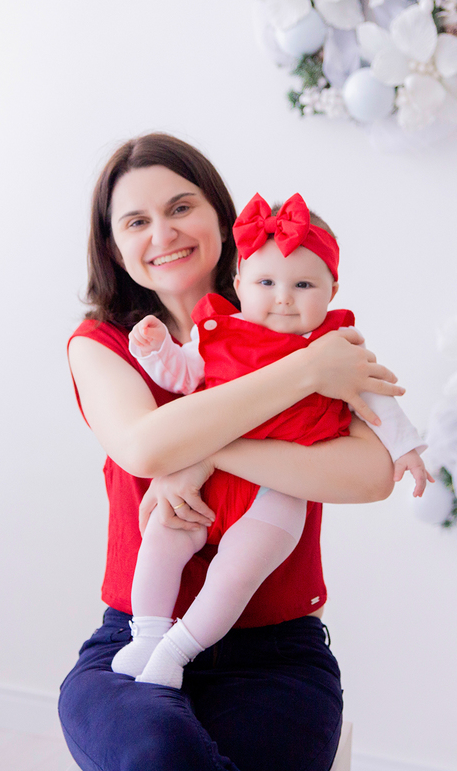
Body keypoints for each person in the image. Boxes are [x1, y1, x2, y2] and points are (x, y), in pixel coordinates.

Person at [60, 133, 401, 771]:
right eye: (137, 221)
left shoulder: (311, 326)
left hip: (275, 655)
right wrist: (304, 376)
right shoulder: (102, 344)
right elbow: (144, 447)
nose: (163, 233)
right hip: (132, 637)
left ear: (223, 217)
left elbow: (371, 474)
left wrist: (209, 453)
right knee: (160, 753)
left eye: (181, 207)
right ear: (114, 246)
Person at [111, 191, 431, 689]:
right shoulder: (218, 331)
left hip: (277, 493)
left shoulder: (336, 347)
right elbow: (185, 376)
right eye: (266, 282)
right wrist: (157, 352)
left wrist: (406, 448)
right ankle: (149, 635)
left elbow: (379, 398)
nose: (283, 296)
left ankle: (177, 650)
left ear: (333, 289)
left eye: (303, 284)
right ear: (239, 283)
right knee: (161, 536)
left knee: (237, 572)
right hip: (207, 487)